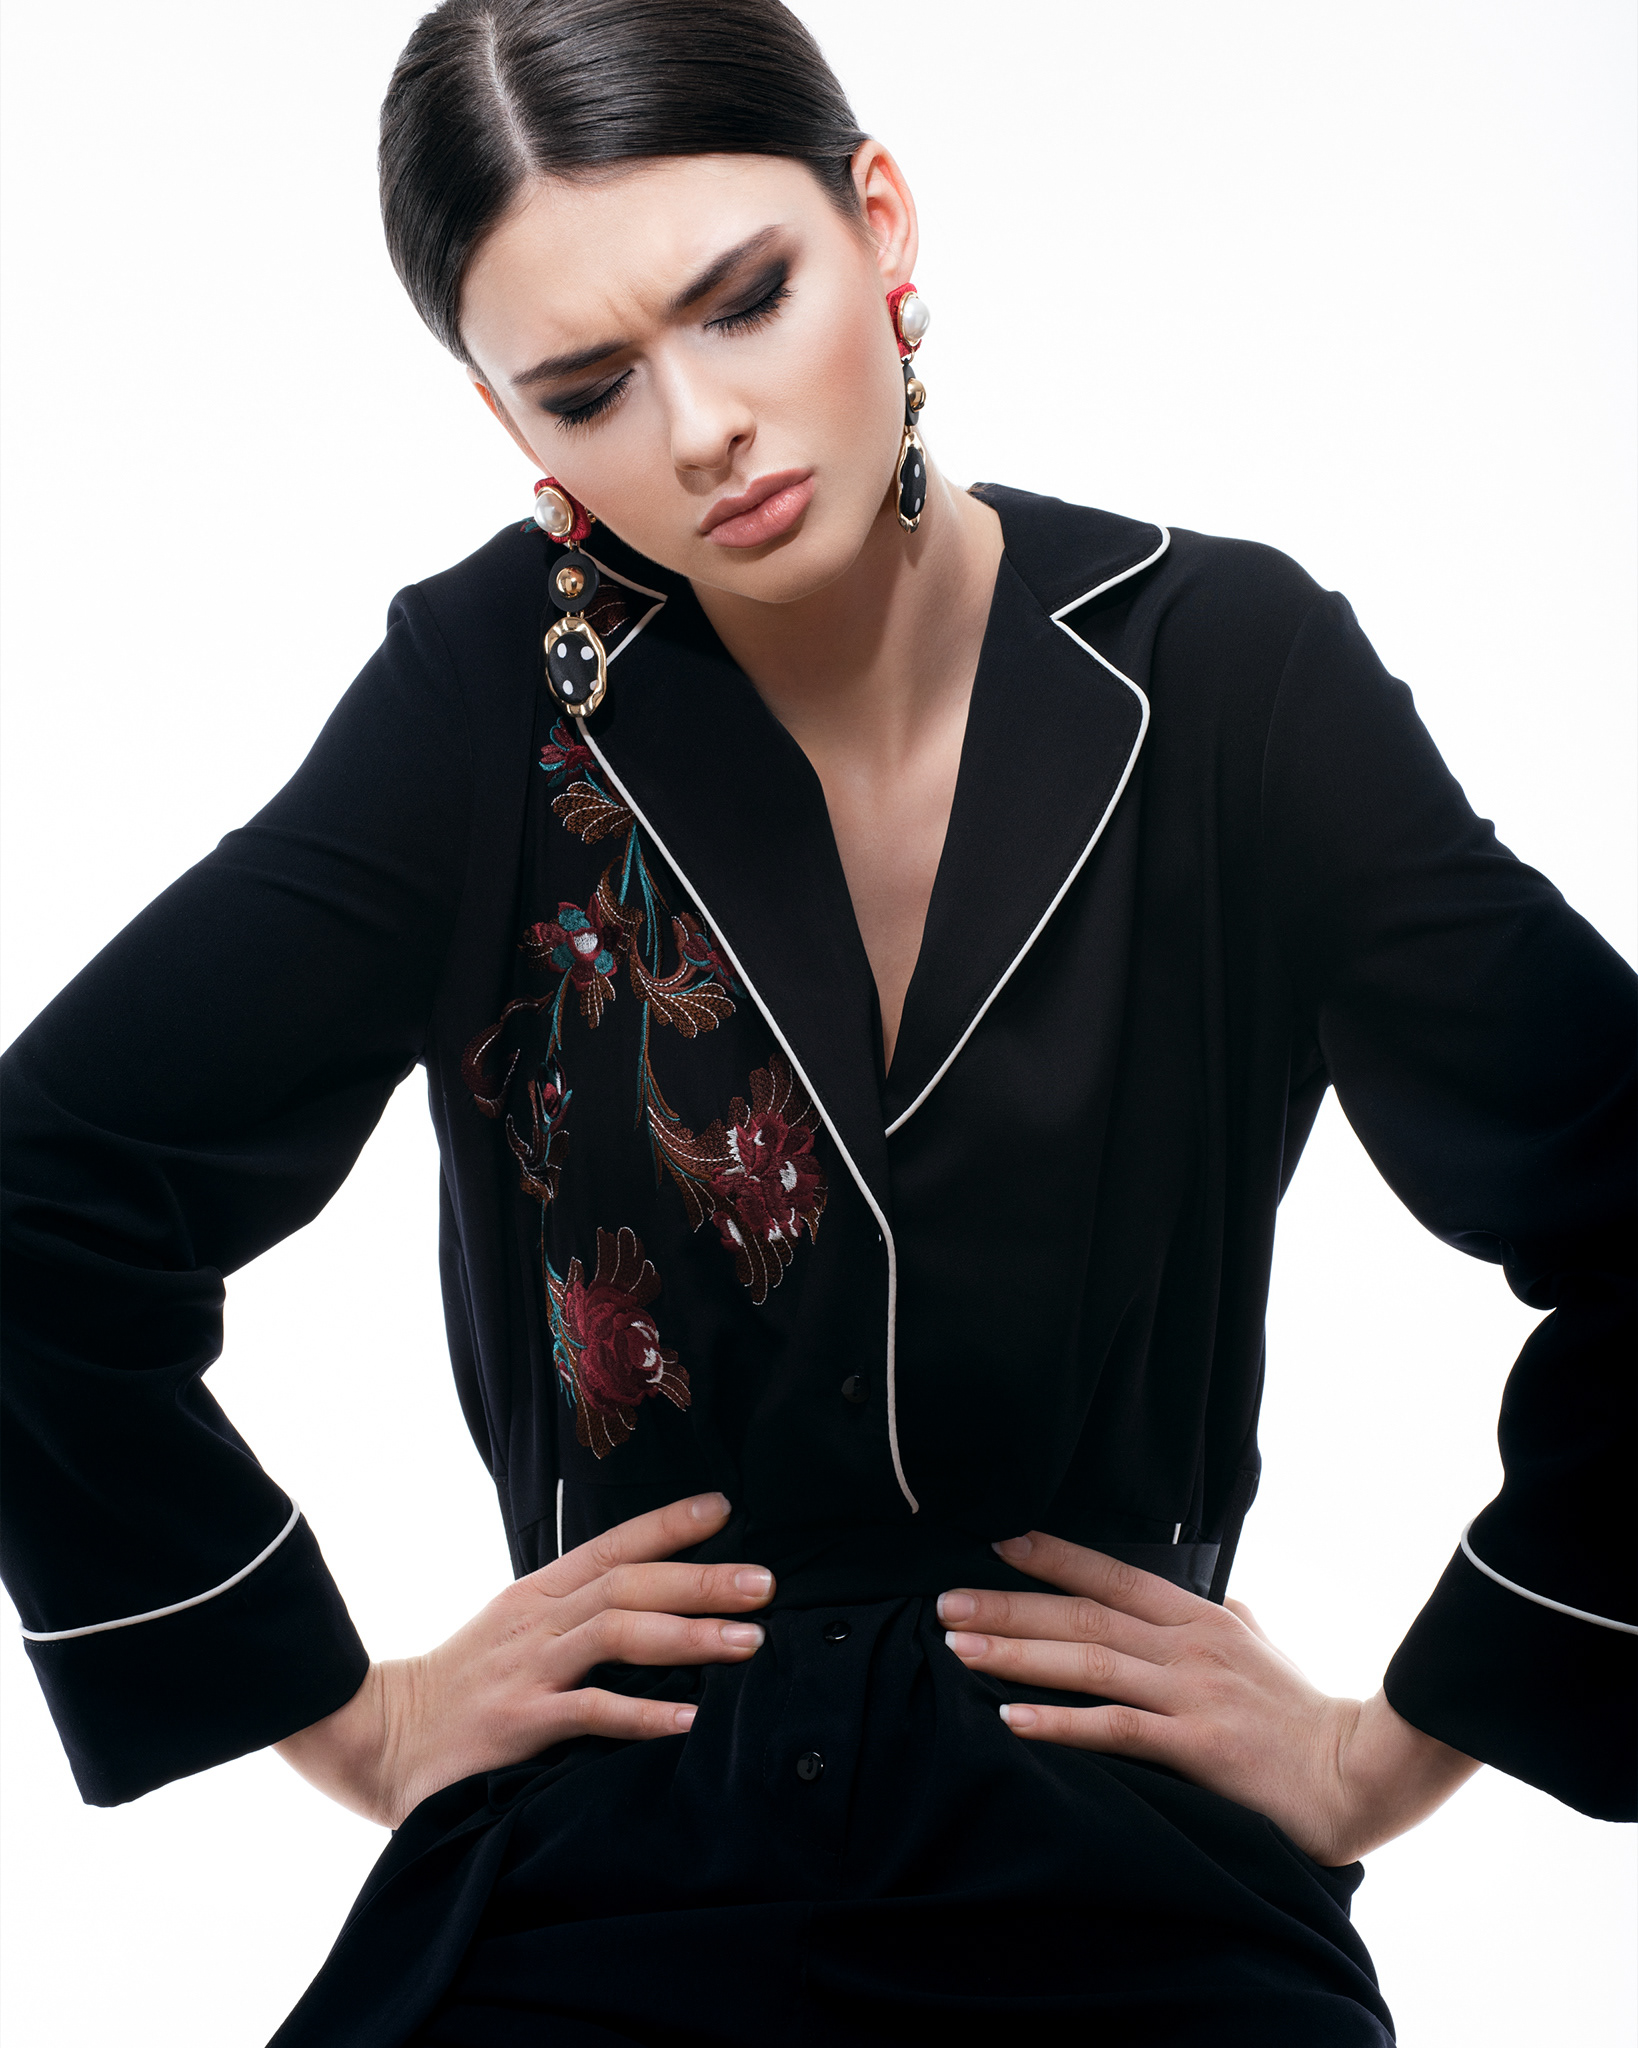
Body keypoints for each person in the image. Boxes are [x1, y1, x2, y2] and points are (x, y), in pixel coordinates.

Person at [2, 1, 1631, 2042]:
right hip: (598, 1871)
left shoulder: (1227, 676)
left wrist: (1382, 1753)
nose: (700, 428)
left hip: (1123, 1876)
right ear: (511, 427)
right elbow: (47, 1199)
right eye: (589, 387)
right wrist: (356, 1714)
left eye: (744, 300)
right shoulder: (488, 695)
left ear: (879, 219)